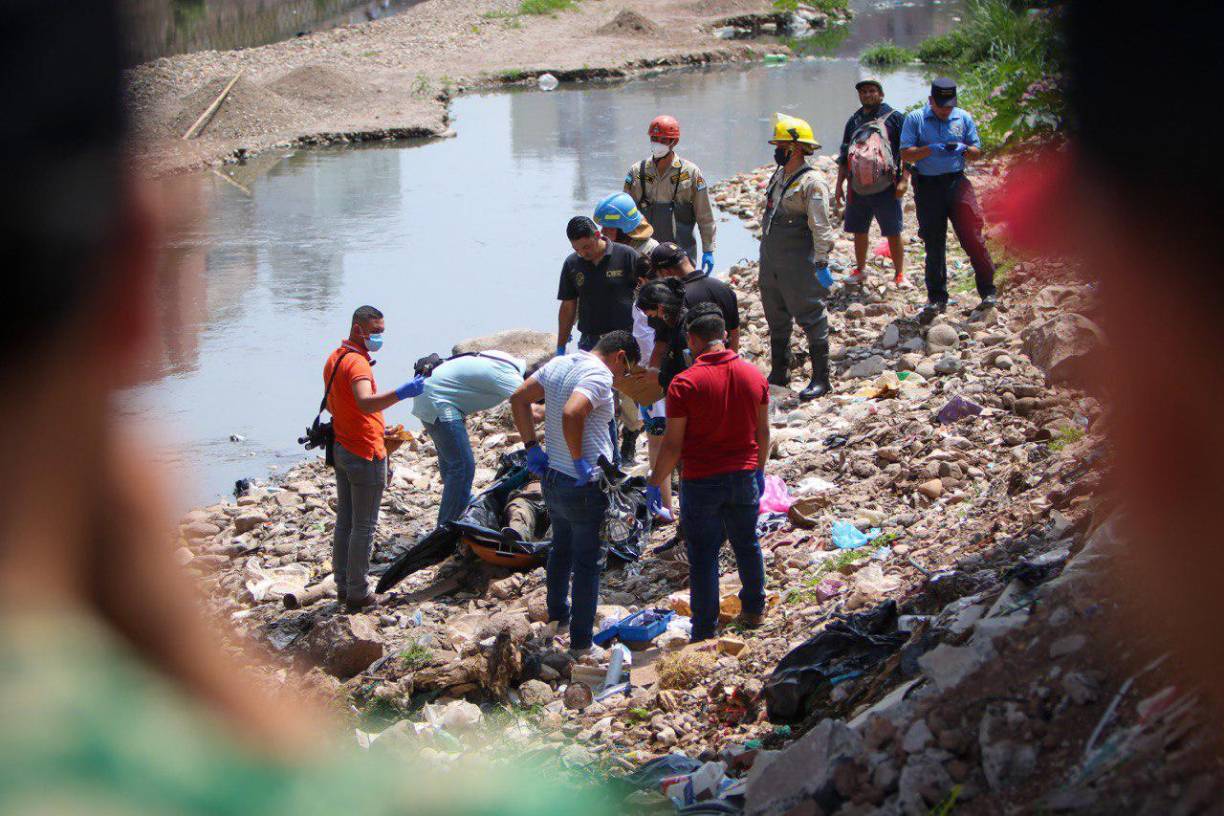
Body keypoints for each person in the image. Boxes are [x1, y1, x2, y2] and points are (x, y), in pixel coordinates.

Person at [0, 3, 615, 814]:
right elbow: (405, 401)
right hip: (366, 451)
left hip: (368, 439)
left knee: (361, 518)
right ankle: (361, 589)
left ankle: (372, 569)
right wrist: (171, 640)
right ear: (137, 272)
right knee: (372, 517)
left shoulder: (343, 353)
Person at [508, 331, 640, 654]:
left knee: (560, 548)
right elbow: (572, 412)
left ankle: (559, 617)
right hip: (584, 485)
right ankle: (581, 644)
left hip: (553, 478)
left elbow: (519, 398)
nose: (621, 378)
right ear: (619, 356)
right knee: (587, 563)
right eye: (626, 370)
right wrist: (580, 460)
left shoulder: (560, 363)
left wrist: (531, 447)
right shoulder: (598, 374)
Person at [645, 307, 770, 642]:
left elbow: (672, 444)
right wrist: (759, 470)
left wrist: (655, 483)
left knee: (703, 555)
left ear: (693, 340)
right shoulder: (753, 374)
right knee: (747, 543)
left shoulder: (684, 384)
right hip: (743, 475)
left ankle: (704, 629)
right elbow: (763, 433)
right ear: (725, 336)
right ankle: (755, 609)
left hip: (701, 481)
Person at [324, 307, 424, 612]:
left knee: (346, 521)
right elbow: (366, 402)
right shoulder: (357, 364)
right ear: (358, 329)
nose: (379, 336)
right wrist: (403, 392)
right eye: (375, 331)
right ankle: (358, 593)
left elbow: (335, 404)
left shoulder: (335, 357)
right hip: (364, 452)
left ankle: (343, 585)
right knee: (364, 526)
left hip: (343, 446)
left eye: (382, 331)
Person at [900, 77, 997, 324]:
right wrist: (930, 149)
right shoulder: (915, 119)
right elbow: (905, 153)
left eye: (949, 106)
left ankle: (988, 292)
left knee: (973, 237)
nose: (945, 110)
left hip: (956, 183)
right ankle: (937, 299)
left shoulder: (962, 117)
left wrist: (962, 148)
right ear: (930, 100)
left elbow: (976, 152)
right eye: (940, 105)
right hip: (928, 186)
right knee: (934, 243)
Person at [759, 114, 837, 400]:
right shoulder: (779, 175)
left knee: (811, 315)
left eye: (780, 145)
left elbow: (821, 226)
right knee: (775, 314)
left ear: (793, 148)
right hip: (771, 260)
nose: (776, 150)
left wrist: (821, 262)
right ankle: (780, 371)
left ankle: (821, 378)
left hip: (797, 263)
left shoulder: (812, 182)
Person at [556, 215, 643, 462]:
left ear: (598, 236)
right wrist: (561, 345)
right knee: (598, 398)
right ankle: (609, 453)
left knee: (630, 398)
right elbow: (568, 306)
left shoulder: (626, 255)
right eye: (577, 249)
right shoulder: (573, 264)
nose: (583, 253)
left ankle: (631, 439)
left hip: (624, 341)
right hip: (591, 343)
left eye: (586, 247)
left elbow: (647, 292)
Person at [412, 350, 529, 526]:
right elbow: (528, 410)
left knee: (453, 468)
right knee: (462, 468)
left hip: (428, 396)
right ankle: (445, 531)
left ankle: (465, 512)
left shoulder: (504, 359)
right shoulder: (510, 377)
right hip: (438, 402)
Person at [835, 77, 908, 286]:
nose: (867, 95)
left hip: (887, 185)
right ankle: (860, 269)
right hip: (856, 186)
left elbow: (906, 151)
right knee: (859, 229)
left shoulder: (895, 118)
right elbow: (844, 155)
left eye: (872, 91)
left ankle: (899, 274)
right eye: (864, 92)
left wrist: (905, 180)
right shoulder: (853, 121)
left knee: (893, 230)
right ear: (859, 96)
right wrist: (839, 185)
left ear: (881, 94)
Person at [624, 115, 717, 272]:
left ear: (674, 142)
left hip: (681, 253)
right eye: (654, 138)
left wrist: (708, 249)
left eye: (663, 139)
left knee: (681, 293)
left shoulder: (691, 173)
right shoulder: (636, 171)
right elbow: (624, 214)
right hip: (645, 253)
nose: (657, 143)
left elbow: (705, 215)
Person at [649, 241, 742, 351]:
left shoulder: (673, 301)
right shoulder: (723, 288)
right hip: (724, 361)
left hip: (693, 367)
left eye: (658, 275)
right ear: (686, 259)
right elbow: (735, 333)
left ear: (665, 272)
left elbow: (662, 345)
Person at [594, 192, 659, 258]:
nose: (602, 232)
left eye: (610, 228)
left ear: (624, 231)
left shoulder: (652, 251)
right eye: (603, 227)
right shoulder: (605, 251)